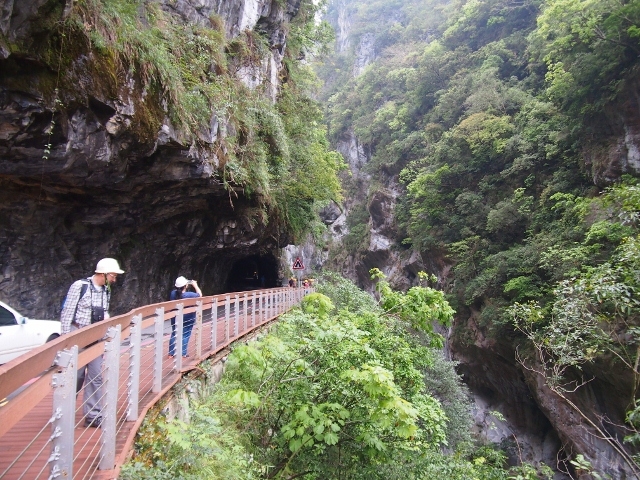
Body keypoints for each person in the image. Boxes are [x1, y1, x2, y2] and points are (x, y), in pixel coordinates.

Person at [60, 257, 124, 428]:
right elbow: (67, 312)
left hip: (96, 337)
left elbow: (104, 312)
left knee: (95, 375)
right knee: (77, 375)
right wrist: (65, 338)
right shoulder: (80, 287)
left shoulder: (106, 290)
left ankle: (93, 415)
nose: (114, 279)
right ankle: (65, 410)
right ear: (104, 273)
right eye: (113, 275)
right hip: (78, 334)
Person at [168, 276, 202, 358]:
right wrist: (195, 285)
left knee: (174, 333)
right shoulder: (188, 295)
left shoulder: (173, 293)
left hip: (175, 317)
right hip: (187, 318)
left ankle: (171, 353)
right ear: (185, 286)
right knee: (185, 335)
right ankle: (183, 354)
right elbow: (200, 295)